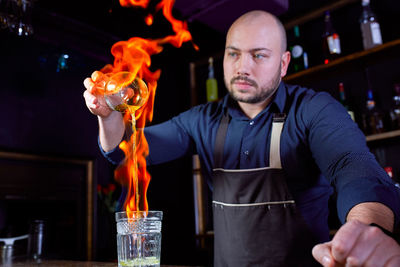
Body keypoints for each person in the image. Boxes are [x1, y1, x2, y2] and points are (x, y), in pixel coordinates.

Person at [84, 10, 400, 267]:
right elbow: (127, 150)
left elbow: (353, 166)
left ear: (284, 63)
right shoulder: (202, 120)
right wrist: (108, 115)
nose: (242, 67)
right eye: (233, 54)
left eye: (258, 56)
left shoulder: (314, 110)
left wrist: (366, 228)